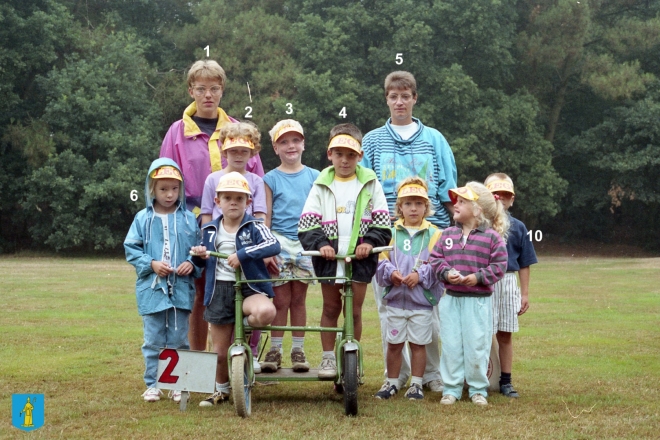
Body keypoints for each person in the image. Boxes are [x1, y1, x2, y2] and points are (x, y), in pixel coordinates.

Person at [361, 70, 457, 393]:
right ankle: (396, 373)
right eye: (393, 96)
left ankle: (430, 374)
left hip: (430, 236)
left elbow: (448, 188)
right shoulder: (372, 140)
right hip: (388, 236)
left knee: (428, 307)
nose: (399, 102)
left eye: (405, 96)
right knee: (390, 305)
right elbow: (364, 189)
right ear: (386, 99)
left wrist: (452, 233)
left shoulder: (435, 139)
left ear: (415, 98)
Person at [160, 59, 264, 353]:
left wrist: (259, 227)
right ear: (190, 90)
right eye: (201, 88)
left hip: (241, 225)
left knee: (243, 284)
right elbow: (168, 179)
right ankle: (200, 360)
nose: (208, 95)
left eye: (214, 88)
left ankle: (242, 356)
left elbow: (257, 177)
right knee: (199, 290)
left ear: (222, 91)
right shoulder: (177, 132)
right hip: (195, 222)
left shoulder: (237, 128)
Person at [299, 123, 391, 379]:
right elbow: (307, 223)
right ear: (330, 154)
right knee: (330, 308)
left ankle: (352, 358)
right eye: (339, 154)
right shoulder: (321, 184)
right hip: (330, 258)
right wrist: (321, 244)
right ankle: (328, 359)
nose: (345, 160)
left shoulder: (370, 183)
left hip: (359, 259)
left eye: (351, 155)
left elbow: (383, 222)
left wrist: (369, 243)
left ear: (359, 155)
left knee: (354, 310)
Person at [191, 172, 280, 406]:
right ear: (217, 201)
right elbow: (200, 262)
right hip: (219, 290)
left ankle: (244, 329)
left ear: (248, 202)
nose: (233, 202)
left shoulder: (254, 226)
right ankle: (221, 390)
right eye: (227, 197)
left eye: (239, 198)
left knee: (266, 313)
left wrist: (243, 254)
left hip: (249, 288)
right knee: (219, 354)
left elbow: (274, 244)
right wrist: (198, 256)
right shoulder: (209, 229)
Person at [124, 158, 202, 403]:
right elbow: (132, 249)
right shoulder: (142, 219)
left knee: (179, 337)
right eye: (163, 189)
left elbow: (199, 250)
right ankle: (153, 384)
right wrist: (151, 264)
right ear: (152, 190)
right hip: (152, 289)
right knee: (154, 338)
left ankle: (178, 383)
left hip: (181, 288)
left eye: (174, 188)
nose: (169, 194)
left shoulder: (189, 218)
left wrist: (192, 263)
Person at [429, 182, 509, 406]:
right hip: (451, 300)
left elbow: (500, 265)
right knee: (452, 344)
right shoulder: (447, 235)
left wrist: (478, 277)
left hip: (478, 302)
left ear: (477, 210)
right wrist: (446, 273)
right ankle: (451, 388)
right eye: (457, 200)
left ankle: (477, 389)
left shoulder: (492, 238)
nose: (456, 204)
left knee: (477, 345)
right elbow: (436, 259)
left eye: (463, 202)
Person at [374, 177, 443, 401]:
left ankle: (416, 384)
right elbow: (381, 260)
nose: (413, 208)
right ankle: (392, 382)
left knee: (418, 344)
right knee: (393, 344)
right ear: (400, 206)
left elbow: (438, 264)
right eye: (408, 203)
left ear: (426, 206)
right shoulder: (390, 232)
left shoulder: (435, 234)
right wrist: (391, 274)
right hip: (395, 300)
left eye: (419, 203)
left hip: (421, 303)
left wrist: (419, 276)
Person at [260, 120, 320, 373]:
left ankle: (298, 350)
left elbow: (319, 211)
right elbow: (266, 215)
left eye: (295, 140)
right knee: (280, 299)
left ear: (303, 143)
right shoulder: (269, 179)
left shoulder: (315, 176)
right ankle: (275, 350)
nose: (290, 146)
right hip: (279, 242)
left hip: (306, 241)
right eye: (284, 142)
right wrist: (266, 247)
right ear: (275, 148)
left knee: (299, 299)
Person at [484, 173, 537, 398]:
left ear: (512, 199)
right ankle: (478, 380)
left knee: (504, 333)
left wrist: (524, 294)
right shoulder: (478, 225)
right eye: (496, 195)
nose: (501, 199)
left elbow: (524, 263)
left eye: (506, 195)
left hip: (507, 281)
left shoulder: (518, 227)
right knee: (481, 333)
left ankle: (506, 381)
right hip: (483, 282)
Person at [200, 122, 267, 225]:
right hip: (218, 235)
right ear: (225, 152)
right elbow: (206, 213)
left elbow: (260, 214)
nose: (238, 156)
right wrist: (206, 238)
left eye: (244, 151)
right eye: (233, 151)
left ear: (251, 153)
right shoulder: (212, 179)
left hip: (247, 236)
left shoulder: (256, 181)